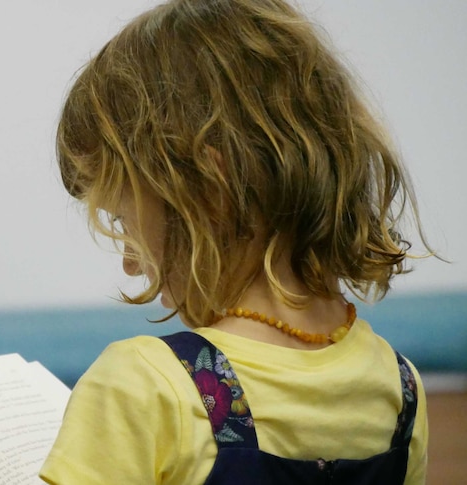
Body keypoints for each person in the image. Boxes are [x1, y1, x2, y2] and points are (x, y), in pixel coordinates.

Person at [39, 0, 432, 483]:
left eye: (126, 221)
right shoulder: (399, 387)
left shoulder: (144, 385)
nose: (130, 264)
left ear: (208, 188)